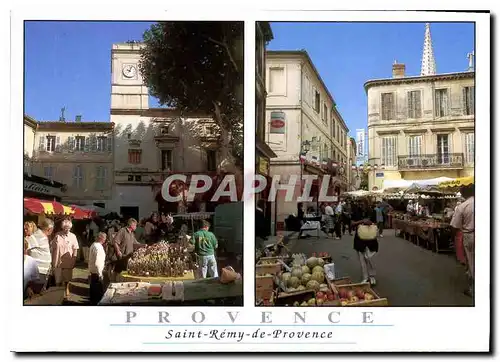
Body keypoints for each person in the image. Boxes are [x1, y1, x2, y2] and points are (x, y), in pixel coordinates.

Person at [451, 185, 475, 298]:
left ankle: (473, 289)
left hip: (470, 235)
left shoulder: (463, 206)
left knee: (471, 262)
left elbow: (455, 226)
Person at [351, 200, 378, 285]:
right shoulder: (356, 211)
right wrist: (362, 221)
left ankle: (372, 276)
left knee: (369, 258)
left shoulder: (372, 212)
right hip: (359, 239)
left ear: (367, 204)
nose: (361, 205)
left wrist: (370, 222)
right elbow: (352, 223)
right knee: (362, 259)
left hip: (371, 239)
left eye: (363, 204)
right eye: (360, 204)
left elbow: (376, 223)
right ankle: (365, 278)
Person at [50, 218, 79, 293]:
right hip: (57, 260)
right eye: (66, 228)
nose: (67, 230)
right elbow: (52, 248)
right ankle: (57, 293)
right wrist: (51, 260)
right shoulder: (57, 235)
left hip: (68, 261)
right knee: (58, 279)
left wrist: (74, 260)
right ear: (62, 227)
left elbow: (75, 249)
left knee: (67, 278)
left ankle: (66, 288)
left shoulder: (73, 236)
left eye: (69, 228)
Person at [88, 232, 107, 305]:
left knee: (93, 289)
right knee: (97, 291)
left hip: (93, 270)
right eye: (104, 238)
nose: (105, 240)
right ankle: (96, 303)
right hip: (97, 271)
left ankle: (92, 302)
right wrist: (100, 274)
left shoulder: (93, 244)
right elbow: (98, 262)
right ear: (101, 238)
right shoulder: (98, 247)